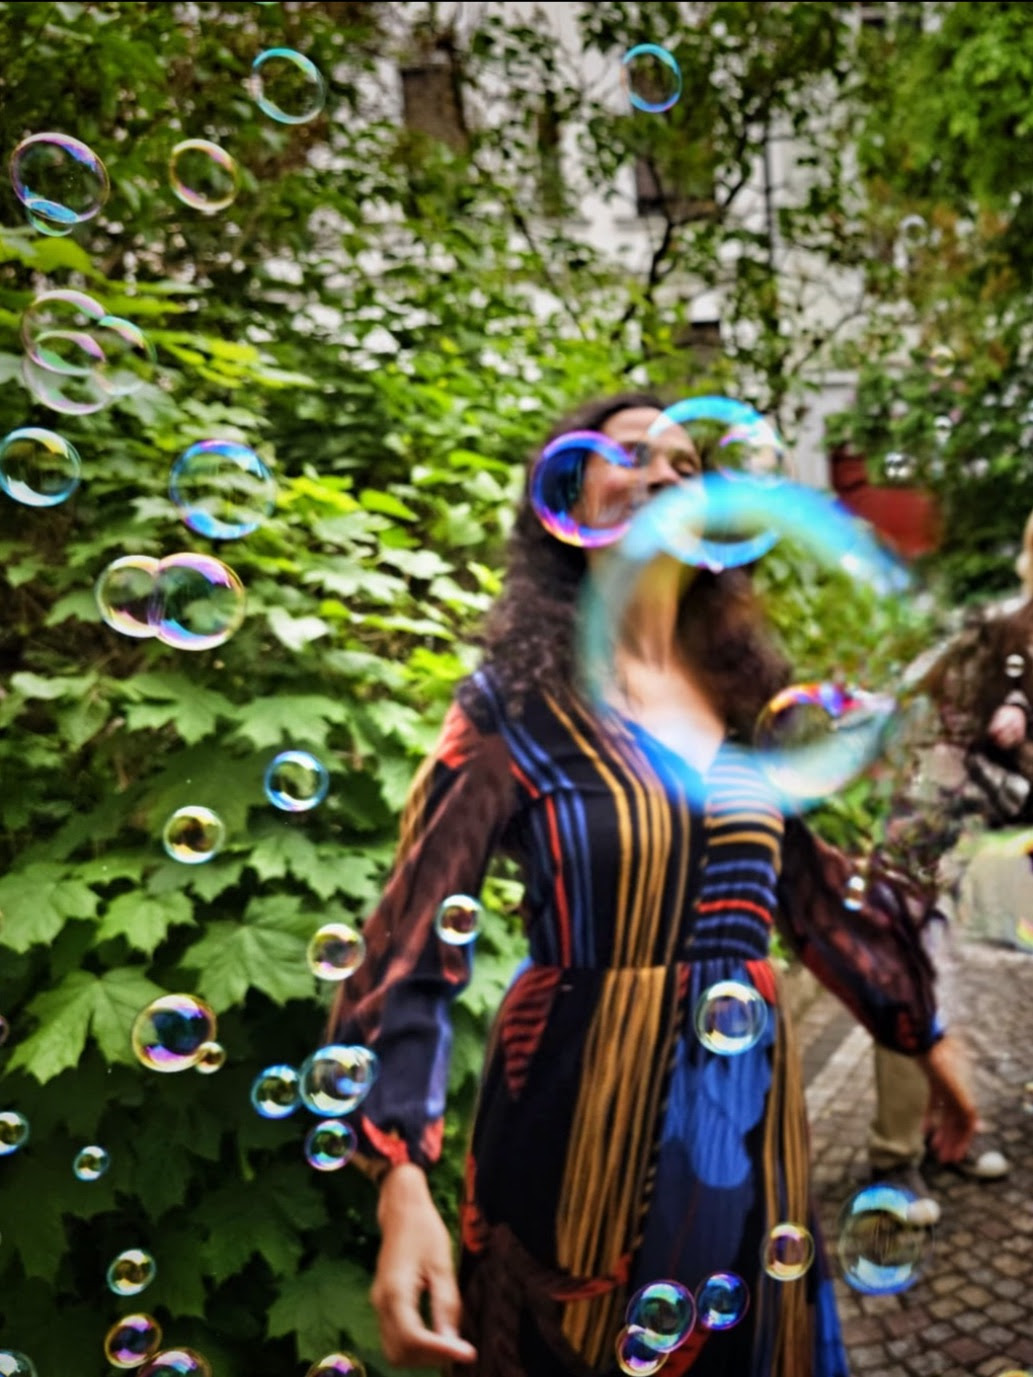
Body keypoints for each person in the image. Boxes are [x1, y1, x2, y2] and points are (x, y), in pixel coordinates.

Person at [327, 393, 977, 1377]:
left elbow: (812, 899)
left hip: (742, 1117)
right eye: (631, 454)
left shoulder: (746, 702)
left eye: (686, 462)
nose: (667, 472)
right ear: (568, 501)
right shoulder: (512, 707)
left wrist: (922, 1038)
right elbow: (408, 939)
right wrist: (400, 1178)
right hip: (573, 1112)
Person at [866, 508, 1033, 1217]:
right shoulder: (994, 630)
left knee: (978, 987)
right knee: (911, 972)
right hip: (946, 821)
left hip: (1013, 838)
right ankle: (897, 1152)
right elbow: (928, 711)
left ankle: (955, 1127)